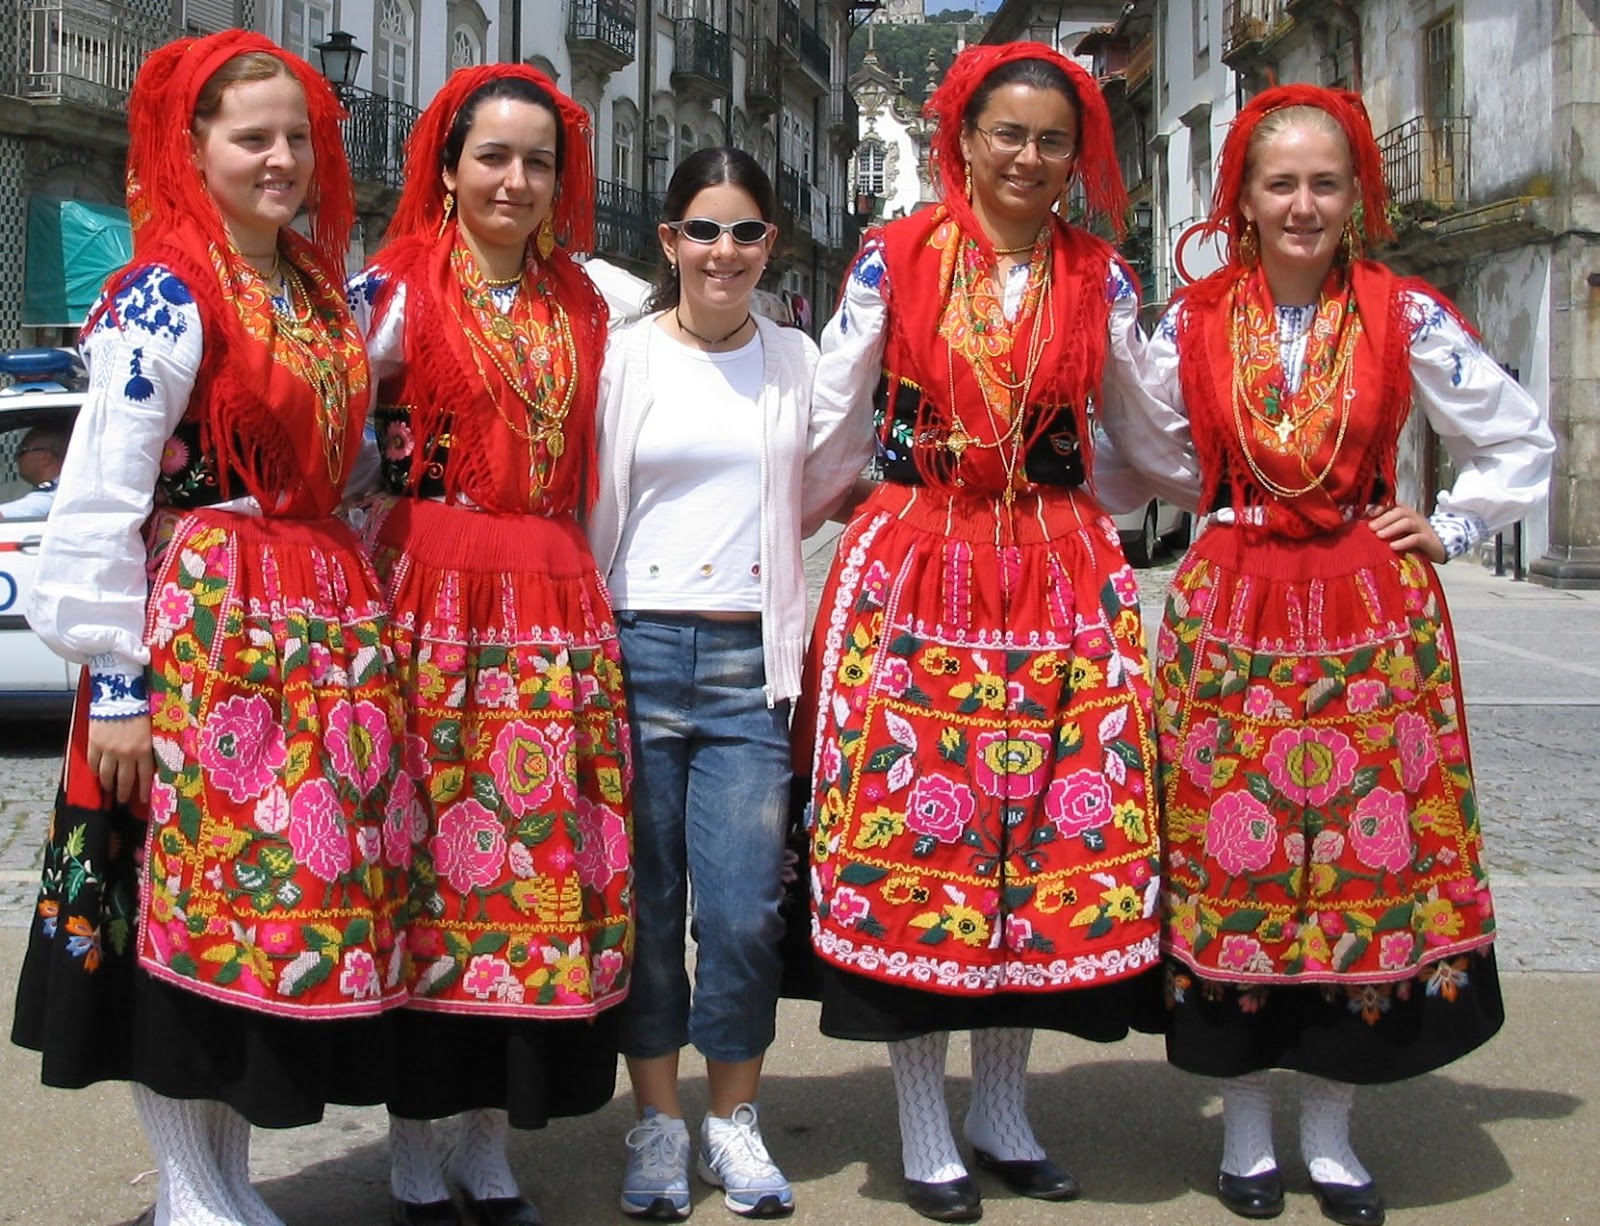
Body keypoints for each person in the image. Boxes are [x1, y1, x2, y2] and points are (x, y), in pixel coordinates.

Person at [1133, 85, 1554, 1226]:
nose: (1304, 204)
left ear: (1353, 193)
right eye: (1281, 184)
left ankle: (1332, 1131)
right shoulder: (1192, 321)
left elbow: (1520, 437)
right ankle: (1253, 1131)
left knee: (1357, 861)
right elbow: (1141, 445)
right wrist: (1214, 504)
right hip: (1234, 615)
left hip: (1371, 614)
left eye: (1325, 183)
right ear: (1244, 199)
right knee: (1244, 859)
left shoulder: (1402, 312)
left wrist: (1452, 522)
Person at [10, 29, 407, 1226]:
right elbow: (101, 494)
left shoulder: (313, 289)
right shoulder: (162, 293)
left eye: (298, 135)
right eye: (253, 137)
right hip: (202, 639)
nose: (282, 157)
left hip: (313, 638)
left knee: (265, 911)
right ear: (194, 146)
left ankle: (223, 1182)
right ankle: (192, 1192)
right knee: (179, 907)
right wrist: (119, 686)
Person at [798, 43, 1171, 1224]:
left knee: (1033, 847)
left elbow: (1155, 436)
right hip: (917, 568)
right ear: (958, 137)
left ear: (1076, 154)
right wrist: (810, 531)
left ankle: (1003, 1111)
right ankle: (923, 1122)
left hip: (1056, 581)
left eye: (1051, 139)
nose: (1025, 157)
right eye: (1004, 133)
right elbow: (830, 410)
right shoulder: (893, 256)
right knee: (926, 838)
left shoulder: (1098, 279)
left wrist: (1085, 502)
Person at [348, 64, 630, 1226]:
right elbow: (336, 431)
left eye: (537, 164)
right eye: (492, 159)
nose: (515, 182)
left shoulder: (592, 300)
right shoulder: (392, 289)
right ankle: (416, 1139)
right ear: (449, 169)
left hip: (553, 602)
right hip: (428, 599)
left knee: (524, 868)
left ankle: (484, 1136)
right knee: (424, 859)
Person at [586, 147, 870, 1221]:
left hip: (752, 663)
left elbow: (826, 477)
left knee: (747, 907)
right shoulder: (620, 358)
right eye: (702, 230)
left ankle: (732, 1120)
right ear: (668, 241)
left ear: (770, 245)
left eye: (745, 232)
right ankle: (657, 1122)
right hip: (633, 646)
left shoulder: (795, 359)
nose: (723, 251)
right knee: (648, 908)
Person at [0, 425, 67, 517]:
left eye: (21, 450)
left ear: (45, 458)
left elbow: (38, 505)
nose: (16, 458)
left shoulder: (58, 493)